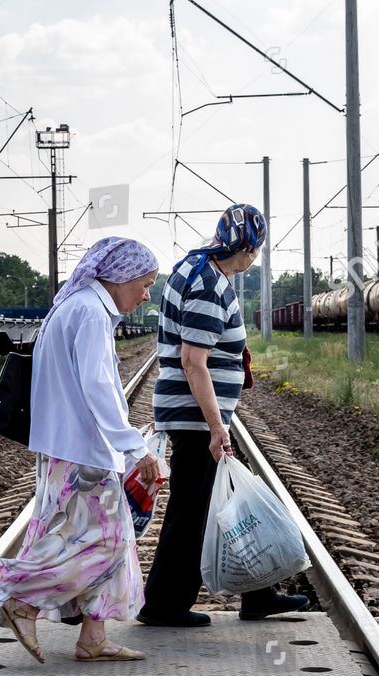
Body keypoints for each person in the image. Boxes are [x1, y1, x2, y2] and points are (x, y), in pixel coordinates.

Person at [0, 236, 162, 662]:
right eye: (146, 283)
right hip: (84, 452)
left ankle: (93, 637)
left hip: (66, 448)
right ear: (122, 276)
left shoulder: (75, 304)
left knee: (94, 538)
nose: (147, 293)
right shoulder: (92, 313)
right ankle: (20, 596)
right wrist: (135, 448)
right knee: (109, 541)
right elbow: (99, 388)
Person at [138, 203, 309, 628]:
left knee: (222, 502)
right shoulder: (210, 285)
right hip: (197, 418)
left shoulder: (195, 268)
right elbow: (194, 361)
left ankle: (258, 595)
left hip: (193, 414)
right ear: (249, 251)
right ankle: (163, 605)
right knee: (193, 511)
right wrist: (218, 426)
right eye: (256, 252)